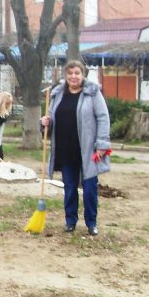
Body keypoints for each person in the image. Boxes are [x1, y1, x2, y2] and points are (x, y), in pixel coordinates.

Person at [40, 60, 111, 236]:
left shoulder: (92, 93)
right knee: (69, 188)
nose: (73, 76)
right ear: (66, 75)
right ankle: (70, 221)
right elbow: (51, 118)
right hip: (66, 149)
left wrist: (102, 144)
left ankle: (91, 223)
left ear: (83, 75)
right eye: (70, 73)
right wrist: (45, 122)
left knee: (89, 189)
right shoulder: (57, 94)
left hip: (88, 150)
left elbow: (103, 117)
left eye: (77, 73)